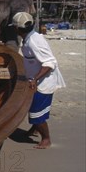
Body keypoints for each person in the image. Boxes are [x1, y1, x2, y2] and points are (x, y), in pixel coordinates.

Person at [12, 12, 66, 149]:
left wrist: (35, 79)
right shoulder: (28, 39)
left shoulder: (35, 41)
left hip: (43, 81)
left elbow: (49, 63)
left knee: (36, 113)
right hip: (35, 79)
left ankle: (46, 139)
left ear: (17, 29)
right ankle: (34, 129)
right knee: (32, 107)